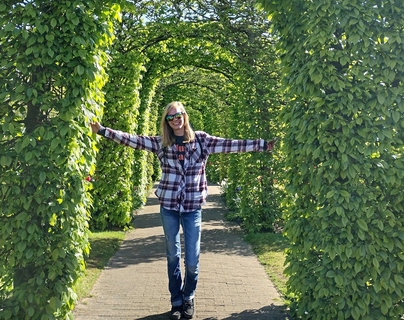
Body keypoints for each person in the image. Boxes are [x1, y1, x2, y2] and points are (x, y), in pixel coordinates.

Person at [91, 101, 275, 320]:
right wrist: (103, 131)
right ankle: (176, 302)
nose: (175, 120)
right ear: (166, 122)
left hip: (192, 207)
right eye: (170, 118)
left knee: (192, 260)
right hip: (168, 206)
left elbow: (230, 145)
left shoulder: (202, 141)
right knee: (172, 255)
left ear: (185, 116)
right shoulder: (162, 143)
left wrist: (263, 144)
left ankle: (188, 297)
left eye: (178, 115)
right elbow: (134, 140)